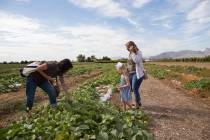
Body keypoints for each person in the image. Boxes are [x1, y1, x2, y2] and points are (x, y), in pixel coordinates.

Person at [125, 41, 145, 109]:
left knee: (134, 88)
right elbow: (129, 63)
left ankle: (137, 103)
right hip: (130, 73)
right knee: (132, 89)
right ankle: (137, 102)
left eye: (128, 47)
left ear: (132, 46)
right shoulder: (130, 53)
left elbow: (136, 60)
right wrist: (126, 70)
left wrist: (133, 52)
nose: (127, 49)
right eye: (127, 47)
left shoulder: (138, 52)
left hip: (136, 73)